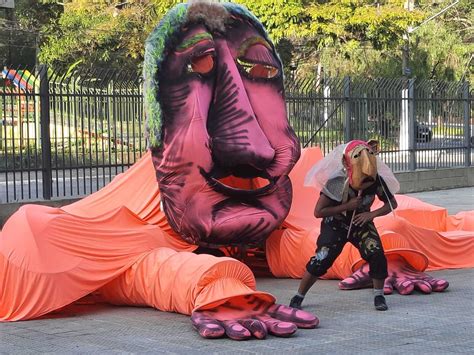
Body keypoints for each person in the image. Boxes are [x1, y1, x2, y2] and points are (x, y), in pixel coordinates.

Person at [289, 140, 398, 311]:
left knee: (376, 253)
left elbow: (391, 204)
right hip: (335, 224)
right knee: (321, 259)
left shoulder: (375, 179)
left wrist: (371, 214)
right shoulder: (337, 181)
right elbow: (319, 212)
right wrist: (346, 206)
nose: (366, 181)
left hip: (360, 223)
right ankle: (299, 295)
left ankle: (379, 295)